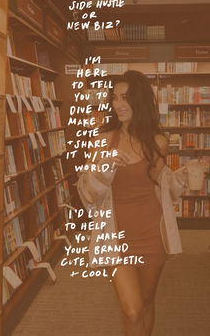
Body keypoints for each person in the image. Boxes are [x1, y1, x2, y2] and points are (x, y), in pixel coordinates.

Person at [77, 70, 189, 336]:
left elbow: (162, 189)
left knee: (147, 303)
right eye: (115, 98)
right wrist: (103, 169)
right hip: (116, 236)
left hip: (152, 234)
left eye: (125, 98)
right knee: (132, 309)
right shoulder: (101, 141)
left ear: (139, 101)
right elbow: (88, 195)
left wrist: (182, 178)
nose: (118, 104)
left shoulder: (158, 142)